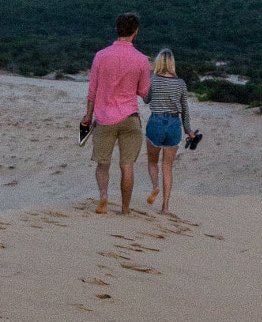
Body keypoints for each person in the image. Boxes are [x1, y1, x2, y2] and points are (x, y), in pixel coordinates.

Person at [82, 12, 151, 215]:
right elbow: (144, 92)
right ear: (135, 32)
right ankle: (125, 208)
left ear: (117, 30)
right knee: (126, 165)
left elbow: (92, 91)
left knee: (103, 164)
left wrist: (88, 117)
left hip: (104, 118)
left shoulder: (101, 56)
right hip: (130, 116)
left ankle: (103, 196)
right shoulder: (141, 59)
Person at [142, 47, 194, 211]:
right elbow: (185, 108)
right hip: (174, 123)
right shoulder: (181, 83)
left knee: (152, 162)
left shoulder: (153, 80)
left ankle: (155, 186)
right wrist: (188, 129)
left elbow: (146, 100)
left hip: (156, 121)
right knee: (168, 167)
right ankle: (165, 206)